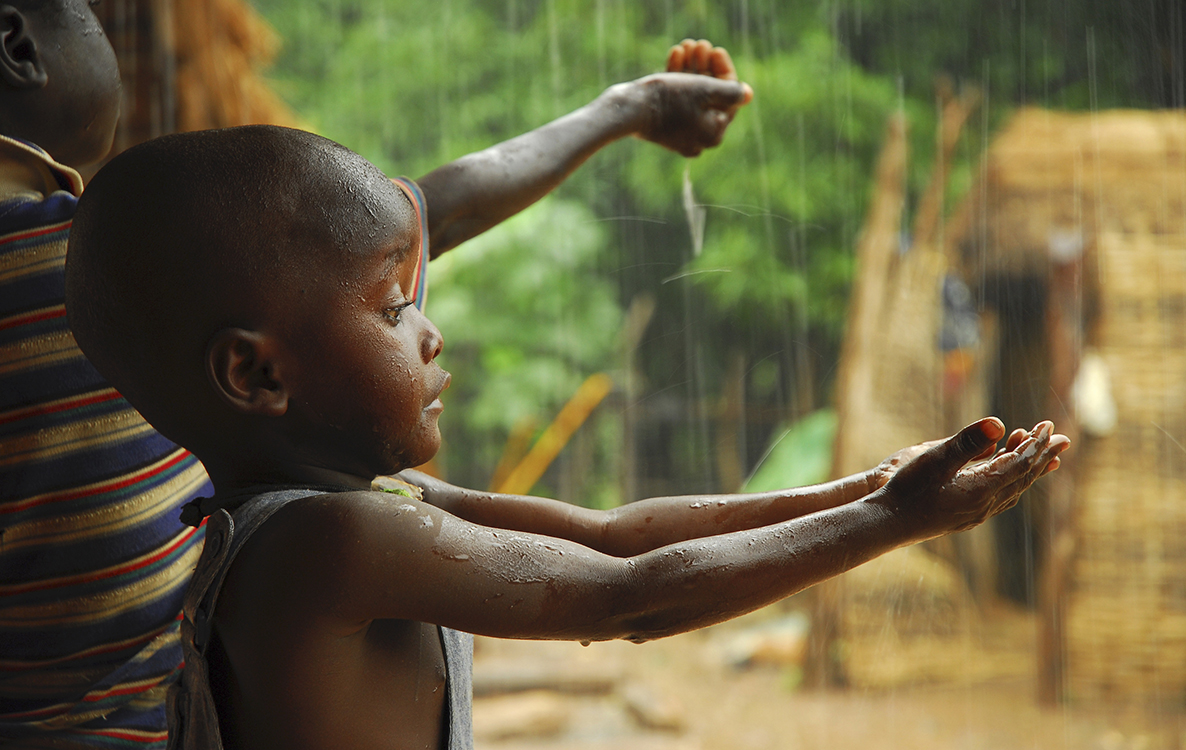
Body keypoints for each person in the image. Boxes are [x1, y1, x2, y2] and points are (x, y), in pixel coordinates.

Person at [64, 125, 1070, 750]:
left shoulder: (349, 513)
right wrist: (892, 523)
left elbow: (617, 533)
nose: (431, 327)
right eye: (387, 308)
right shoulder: (326, 545)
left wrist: (857, 490)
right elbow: (636, 598)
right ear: (257, 374)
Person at [0, 1, 749, 743]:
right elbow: (629, 593)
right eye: (88, 10)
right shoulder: (124, 270)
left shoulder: (133, 280)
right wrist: (625, 110)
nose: (425, 330)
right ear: (17, 42)